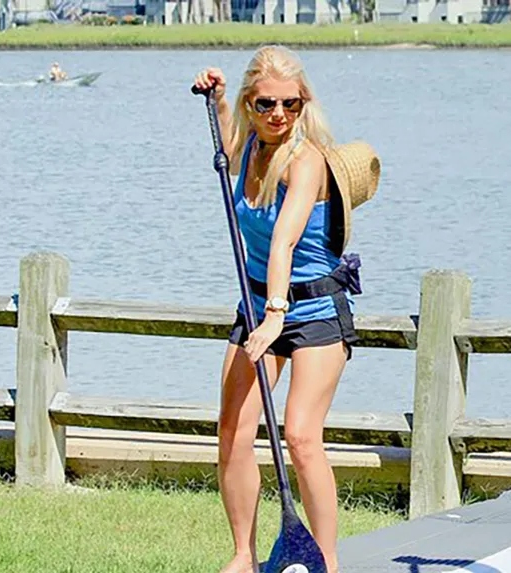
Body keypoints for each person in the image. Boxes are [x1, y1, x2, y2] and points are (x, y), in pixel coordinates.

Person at [192, 45, 380, 573]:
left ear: (304, 104)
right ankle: (243, 555)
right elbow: (226, 152)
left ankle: (327, 562)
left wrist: (277, 313)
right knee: (232, 429)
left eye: (291, 104)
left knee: (299, 435)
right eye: (267, 104)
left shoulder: (308, 160)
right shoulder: (250, 142)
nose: (279, 114)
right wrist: (221, 99)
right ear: (254, 104)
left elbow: (283, 241)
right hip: (256, 308)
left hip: (314, 308)